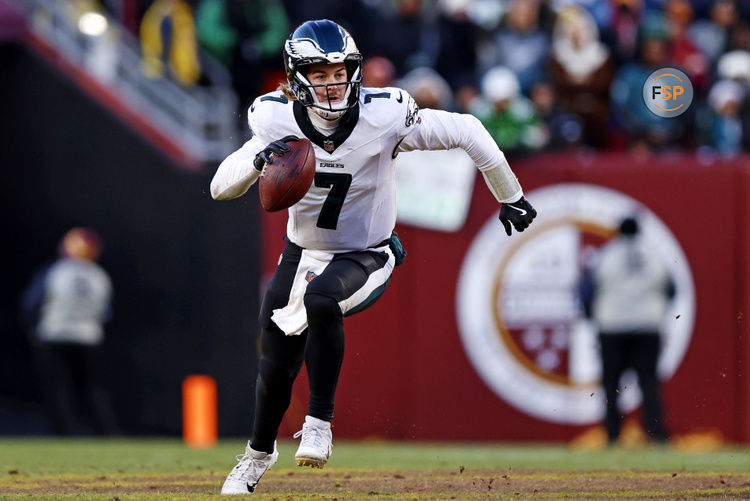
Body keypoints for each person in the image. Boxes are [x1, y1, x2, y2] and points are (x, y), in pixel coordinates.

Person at [210, 19, 537, 495]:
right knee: (274, 367)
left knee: (322, 299)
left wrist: (510, 195)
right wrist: (258, 162)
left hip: (367, 253)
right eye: (319, 74)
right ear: (297, 77)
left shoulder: (384, 115)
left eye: (340, 70)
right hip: (302, 251)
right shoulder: (272, 118)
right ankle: (258, 454)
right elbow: (220, 187)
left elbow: (467, 129)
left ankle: (319, 422)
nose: (332, 82)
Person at [580, 216, 672, 445]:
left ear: (618, 232)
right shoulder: (654, 255)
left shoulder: (605, 255)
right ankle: (656, 435)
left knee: (612, 385)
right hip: (648, 329)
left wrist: (594, 317)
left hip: (612, 328)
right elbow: (671, 291)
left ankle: (613, 435)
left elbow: (586, 293)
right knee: (649, 383)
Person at [21, 228, 118, 435]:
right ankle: (105, 433)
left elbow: (33, 303)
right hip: (88, 337)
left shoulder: (56, 270)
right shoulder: (99, 275)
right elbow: (106, 311)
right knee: (93, 389)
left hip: (54, 335)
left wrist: (33, 327)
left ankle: (65, 434)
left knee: (59, 389)